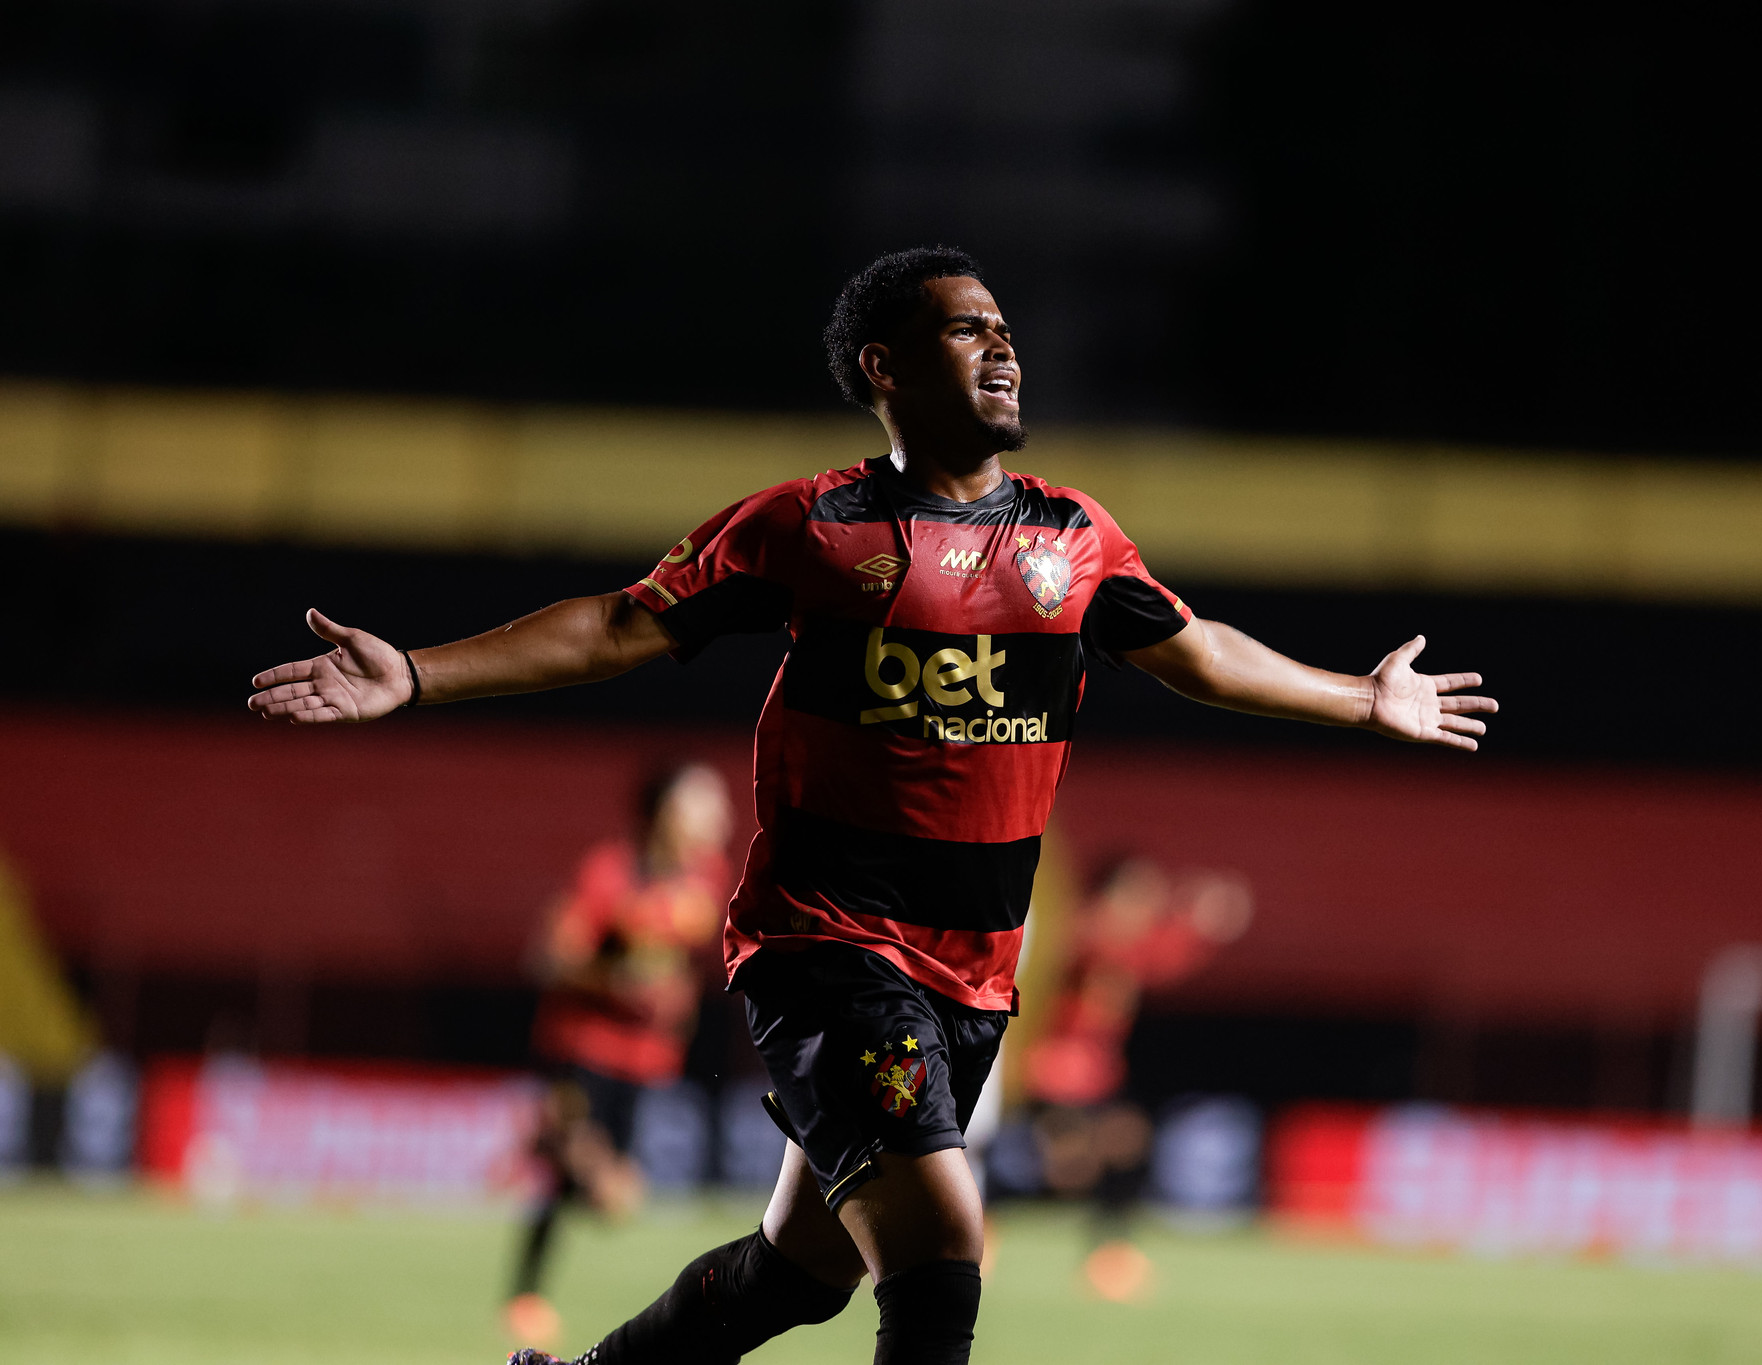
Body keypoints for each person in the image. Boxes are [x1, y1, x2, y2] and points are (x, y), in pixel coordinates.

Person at [246, 245, 1497, 1365]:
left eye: (1004, 327)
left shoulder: (1073, 539)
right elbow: (623, 625)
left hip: (973, 979)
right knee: (942, 1246)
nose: (1001, 346)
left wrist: (1359, 698)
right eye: (966, 328)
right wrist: (417, 673)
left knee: (801, 1274)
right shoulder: (815, 526)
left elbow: (1199, 652)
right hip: (828, 948)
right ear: (882, 368)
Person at [505, 763, 733, 1347]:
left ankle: (552, 1139)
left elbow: (679, 961)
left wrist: (675, 996)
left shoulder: (707, 878)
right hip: (582, 1048)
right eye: (702, 805)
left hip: (646, 1061)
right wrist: (616, 981)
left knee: (610, 1201)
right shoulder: (611, 873)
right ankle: (525, 1298)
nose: (720, 818)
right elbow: (549, 958)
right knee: (593, 1189)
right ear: (664, 814)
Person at [1023, 857, 1251, 1301]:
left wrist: (1200, 926)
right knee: (1067, 1168)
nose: (1148, 907)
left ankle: (1110, 1254)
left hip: (1097, 1075)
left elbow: (1164, 957)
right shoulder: (1079, 934)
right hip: (1053, 1071)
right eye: (1140, 895)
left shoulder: (1130, 944)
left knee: (1127, 1143)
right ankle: (976, 1230)